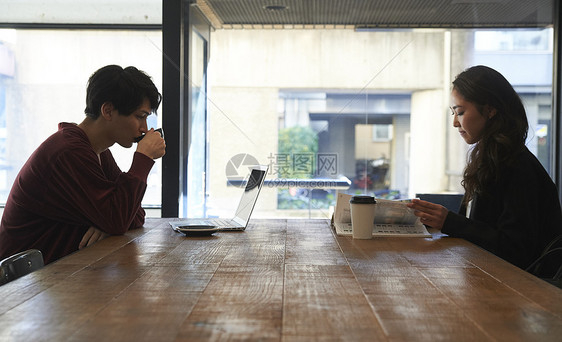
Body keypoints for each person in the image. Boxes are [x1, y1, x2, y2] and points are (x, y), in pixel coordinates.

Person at [0, 65, 166, 264]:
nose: (144, 128)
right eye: (140, 116)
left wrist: (107, 222)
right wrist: (144, 158)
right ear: (108, 110)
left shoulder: (97, 151)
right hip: (20, 285)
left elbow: (134, 215)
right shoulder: (69, 152)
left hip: (55, 275)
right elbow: (119, 219)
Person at [407, 65, 562, 271]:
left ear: (490, 110)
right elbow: (480, 228)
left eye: (460, 112)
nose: (455, 122)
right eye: (453, 113)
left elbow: (515, 249)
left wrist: (450, 222)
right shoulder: (489, 159)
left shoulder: (517, 166)